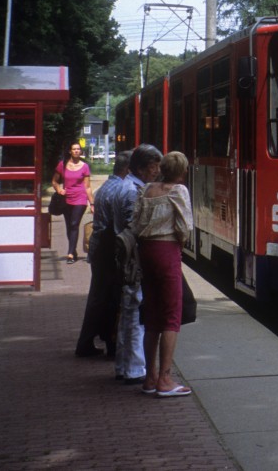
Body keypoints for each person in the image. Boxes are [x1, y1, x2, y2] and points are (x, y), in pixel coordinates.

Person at [132, 150, 194, 397]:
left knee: (152, 314)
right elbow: (185, 226)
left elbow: (135, 222)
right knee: (171, 316)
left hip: (145, 253)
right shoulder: (178, 191)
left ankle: (150, 377)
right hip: (167, 252)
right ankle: (165, 380)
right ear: (181, 171)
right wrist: (179, 240)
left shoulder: (145, 190)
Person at [111, 144, 161, 386]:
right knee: (136, 314)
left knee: (129, 312)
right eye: (154, 167)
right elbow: (136, 228)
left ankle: (124, 365)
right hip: (135, 261)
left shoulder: (126, 186)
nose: (157, 171)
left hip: (127, 260)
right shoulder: (133, 191)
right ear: (142, 168)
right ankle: (134, 368)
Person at [74, 150, 130, 358]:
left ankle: (88, 342)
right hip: (107, 251)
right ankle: (106, 342)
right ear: (128, 169)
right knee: (107, 298)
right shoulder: (120, 189)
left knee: (98, 297)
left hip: (99, 249)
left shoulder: (107, 186)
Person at [52, 141, 94, 264]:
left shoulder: (85, 166)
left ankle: (70, 253)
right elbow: (54, 181)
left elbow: (88, 187)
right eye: (74, 149)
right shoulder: (62, 165)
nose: (76, 151)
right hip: (66, 199)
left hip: (80, 199)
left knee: (74, 224)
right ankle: (73, 250)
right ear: (70, 151)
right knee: (69, 226)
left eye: (78, 149)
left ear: (80, 152)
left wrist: (92, 204)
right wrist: (59, 190)